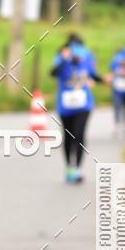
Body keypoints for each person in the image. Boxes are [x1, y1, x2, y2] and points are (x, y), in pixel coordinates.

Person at [51, 40, 103, 183]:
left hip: (84, 105)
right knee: (68, 137)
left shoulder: (85, 62)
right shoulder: (62, 62)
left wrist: (105, 79)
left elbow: (94, 75)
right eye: (76, 56)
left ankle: (77, 169)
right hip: (65, 107)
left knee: (79, 135)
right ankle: (69, 167)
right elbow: (53, 73)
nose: (78, 58)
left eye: (81, 56)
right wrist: (65, 59)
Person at [109, 46, 125, 137]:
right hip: (117, 88)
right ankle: (117, 126)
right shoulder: (114, 63)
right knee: (117, 107)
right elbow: (112, 73)